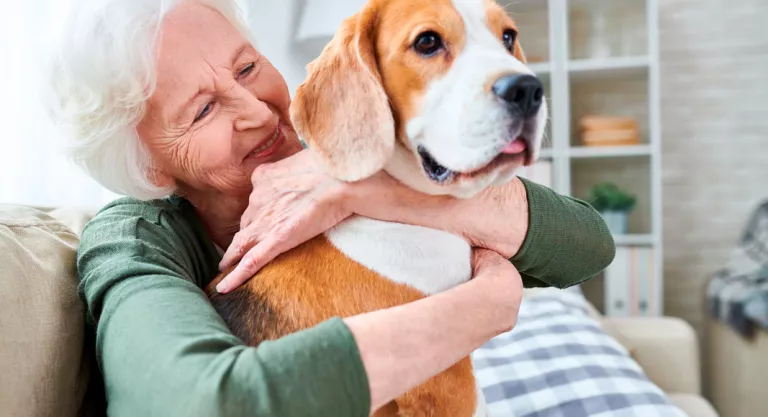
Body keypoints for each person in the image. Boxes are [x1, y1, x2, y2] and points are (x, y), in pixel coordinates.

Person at [45, 0, 615, 415]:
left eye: (247, 68)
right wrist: (488, 304)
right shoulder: (133, 238)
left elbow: (588, 244)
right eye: (202, 111)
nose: (258, 111)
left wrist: (357, 187)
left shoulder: (349, 147)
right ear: (150, 165)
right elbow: (196, 402)